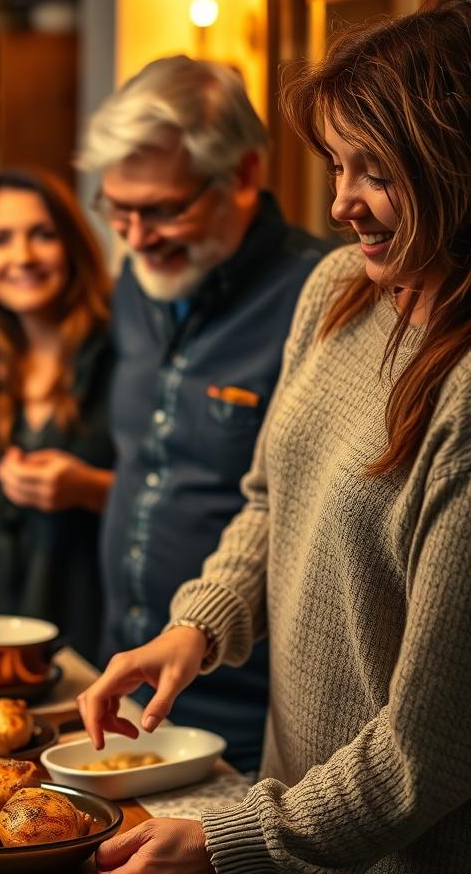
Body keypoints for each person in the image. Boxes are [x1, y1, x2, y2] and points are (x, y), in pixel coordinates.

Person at [78, 0, 471, 872]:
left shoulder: (464, 391)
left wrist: (232, 840)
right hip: (296, 813)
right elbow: (269, 502)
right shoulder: (339, 288)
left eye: (377, 173)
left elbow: (427, 752)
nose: (341, 204)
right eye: (336, 165)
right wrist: (198, 628)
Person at [78, 55, 328, 771]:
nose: (135, 236)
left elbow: (291, 513)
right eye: (116, 209)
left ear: (244, 175)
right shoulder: (139, 277)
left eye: (162, 209)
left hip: (254, 718)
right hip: (122, 694)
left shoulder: (322, 295)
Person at [0, 167, 113, 663]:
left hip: (93, 624)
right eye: (0, 239)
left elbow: (170, 500)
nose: (21, 257)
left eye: (42, 235)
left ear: (72, 244)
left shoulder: (120, 352)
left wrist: (88, 488)